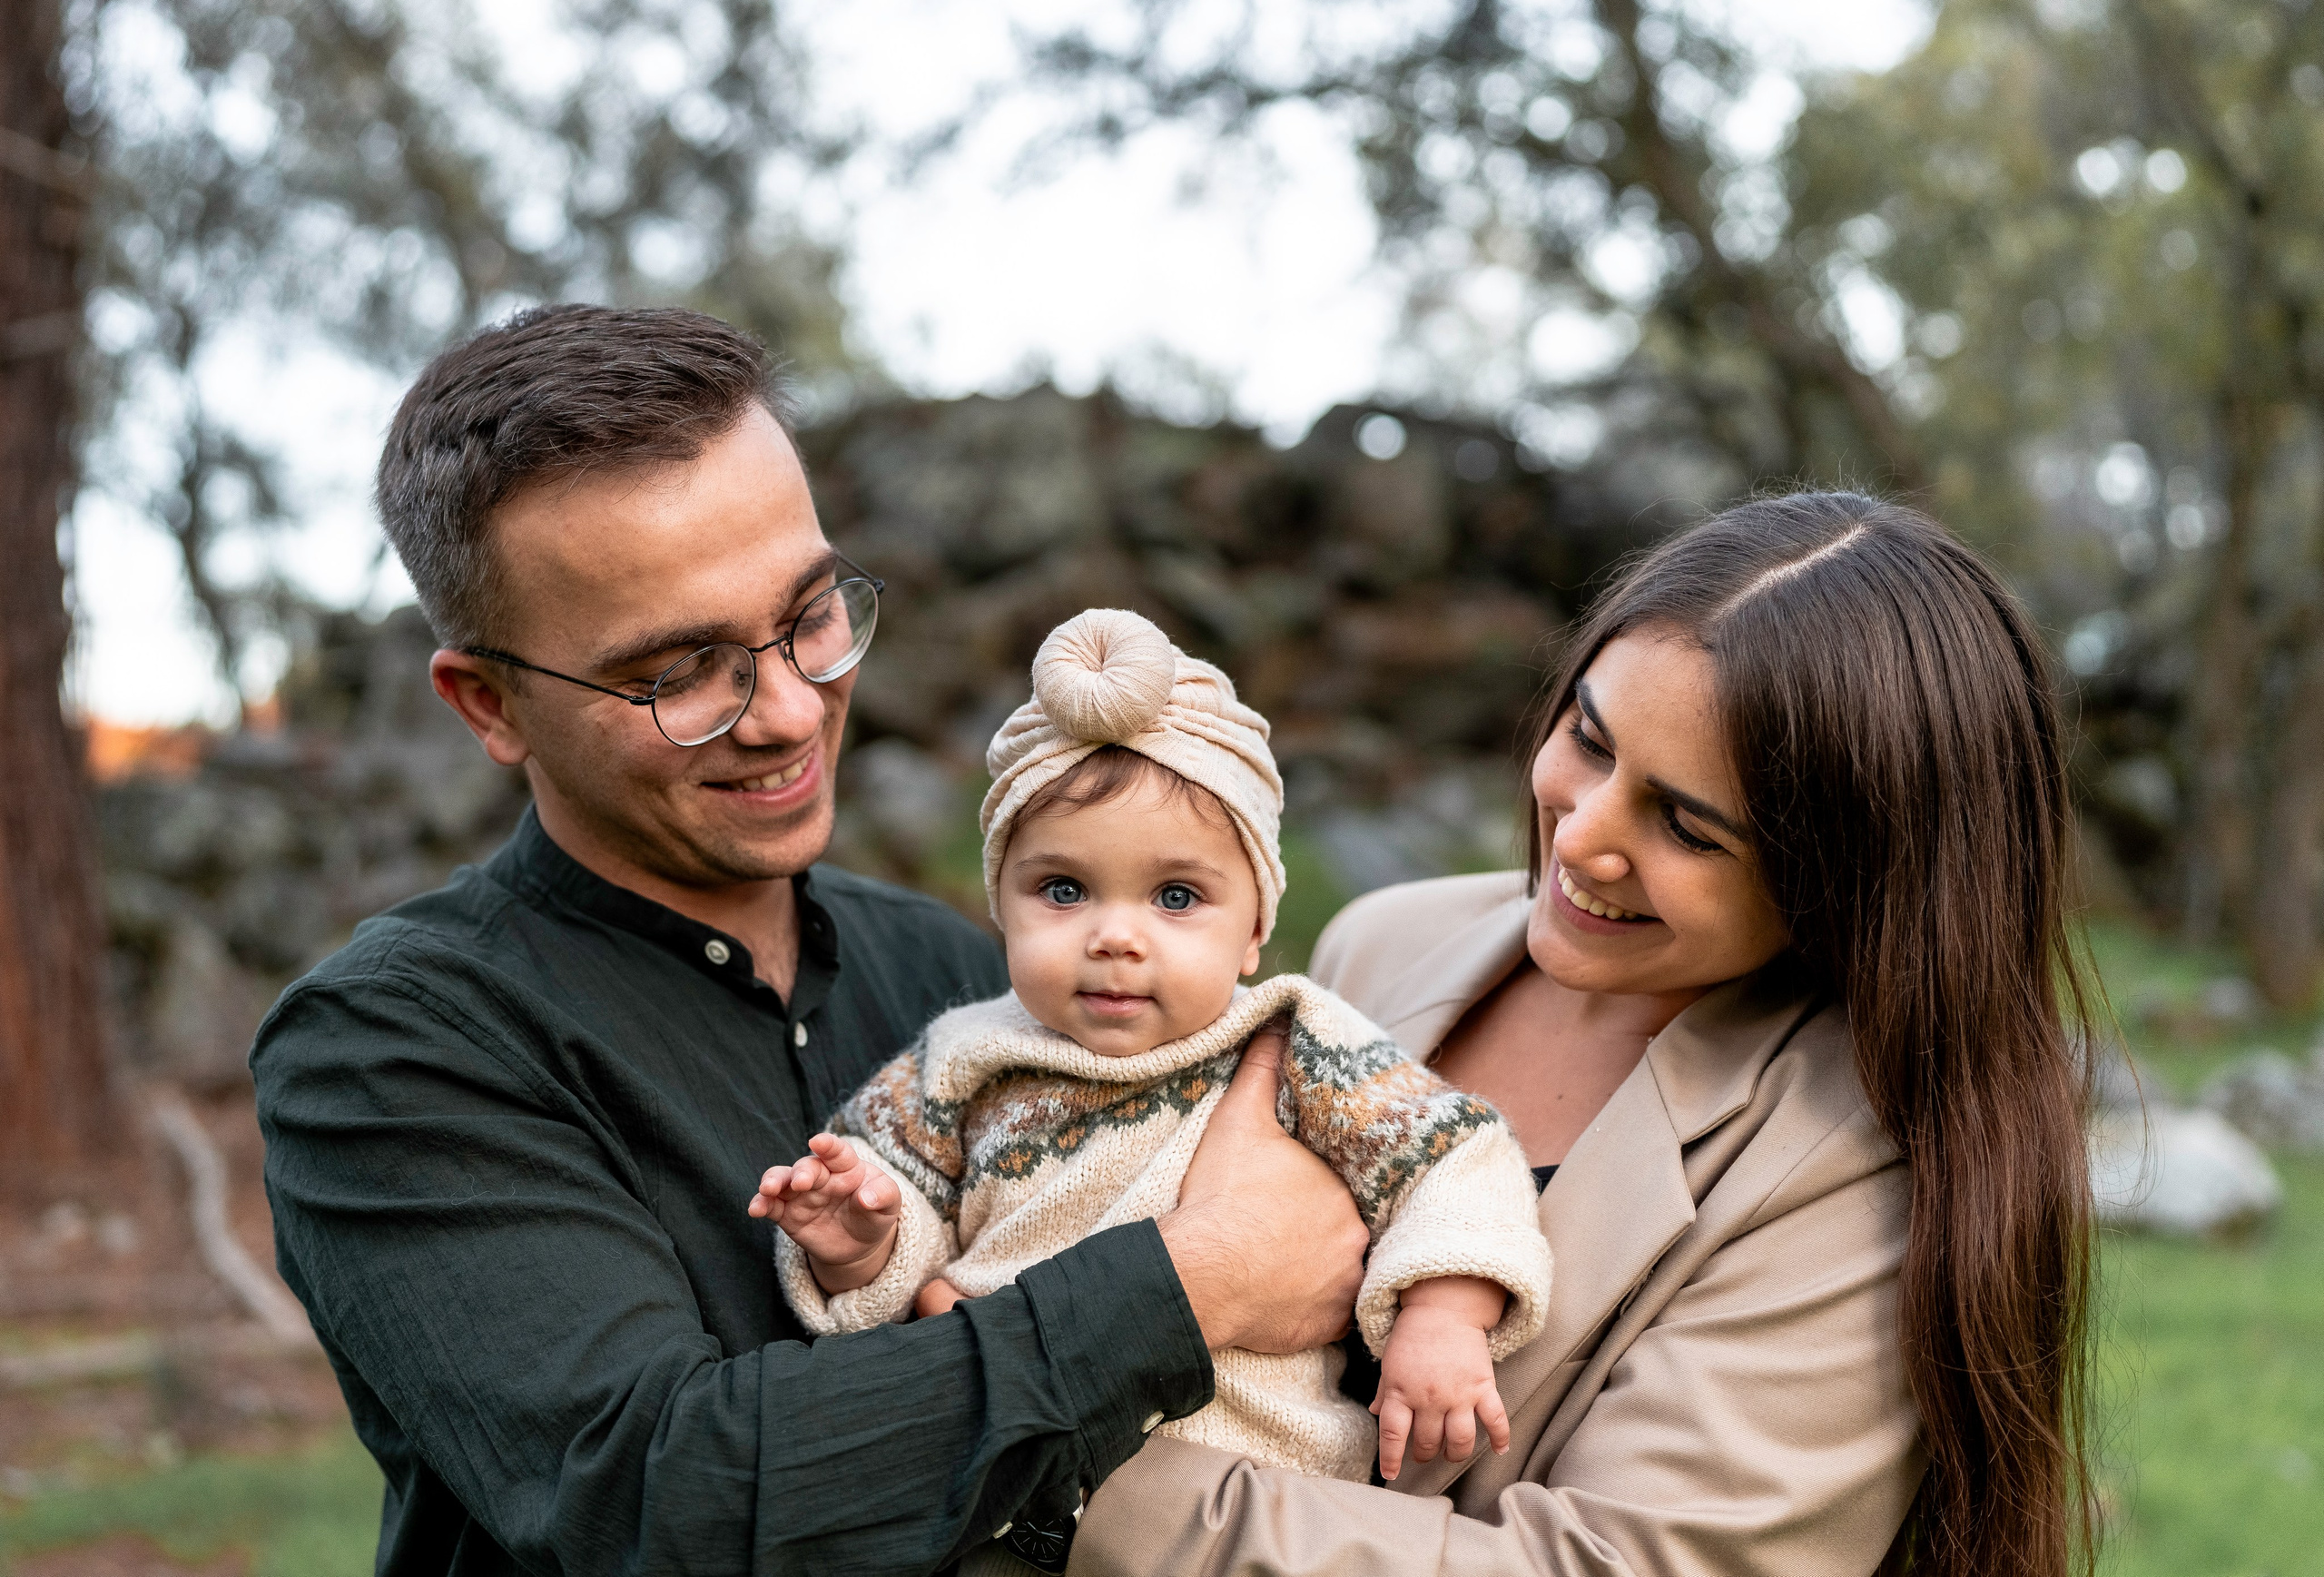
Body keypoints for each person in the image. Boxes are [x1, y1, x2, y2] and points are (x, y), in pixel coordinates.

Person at [250, 304, 1372, 1577]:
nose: (788, 712)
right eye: (680, 672)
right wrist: (1190, 1282)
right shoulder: (387, 1048)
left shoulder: (969, 978)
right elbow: (657, 1498)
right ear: (489, 704)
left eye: (810, 613)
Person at [1070, 490, 2097, 1577]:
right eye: (1588, 741)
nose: (1584, 835)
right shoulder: (1385, 945)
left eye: (1687, 824)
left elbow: (1617, 1561)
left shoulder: (1860, 1164)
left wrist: (1062, 1477)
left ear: (1847, 882)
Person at [752, 608, 1551, 1518]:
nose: (1115, 936)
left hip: (1260, 1503)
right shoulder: (959, 1056)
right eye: (1063, 889)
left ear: (1254, 928)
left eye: (1176, 896)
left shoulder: (1294, 1039)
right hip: (1009, 1488)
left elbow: (1455, 1155)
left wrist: (1445, 1309)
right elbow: (907, 1221)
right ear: (1001, 906)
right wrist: (865, 1245)